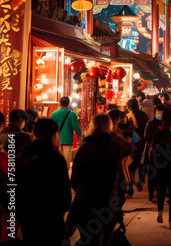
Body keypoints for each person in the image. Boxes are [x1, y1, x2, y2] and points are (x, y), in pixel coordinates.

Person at [67, 113, 122, 246]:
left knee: (89, 238)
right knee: (105, 239)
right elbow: (119, 178)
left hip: (86, 201)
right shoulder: (114, 148)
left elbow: (74, 178)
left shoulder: (85, 148)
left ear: (93, 125)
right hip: (108, 201)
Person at [17, 118, 72, 245]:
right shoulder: (56, 157)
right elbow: (64, 194)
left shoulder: (25, 154)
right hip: (51, 216)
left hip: (28, 216)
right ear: (54, 134)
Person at [126, 97, 149, 196]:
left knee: (131, 167)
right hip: (143, 144)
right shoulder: (144, 115)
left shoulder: (127, 116)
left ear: (128, 107)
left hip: (132, 145)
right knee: (142, 164)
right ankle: (141, 181)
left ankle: (130, 189)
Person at [143, 103, 167, 201]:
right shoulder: (151, 123)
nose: (159, 115)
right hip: (153, 152)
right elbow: (146, 136)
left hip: (165, 153)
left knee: (162, 175)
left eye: (161, 113)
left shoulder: (167, 123)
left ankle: (161, 193)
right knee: (152, 174)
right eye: (158, 113)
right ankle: (152, 193)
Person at [51, 96, 81, 169]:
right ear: (69, 103)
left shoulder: (53, 114)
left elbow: (51, 127)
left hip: (56, 141)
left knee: (57, 161)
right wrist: (79, 137)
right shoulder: (72, 114)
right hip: (67, 141)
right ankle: (64, 177)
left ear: (60, 103)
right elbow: (76, 128)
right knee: (66, 162)